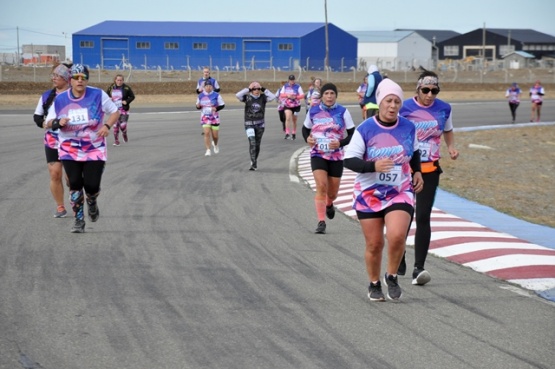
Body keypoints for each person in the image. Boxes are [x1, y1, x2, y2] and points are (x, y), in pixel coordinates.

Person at [344, 78, 424, 301]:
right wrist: (373, 166)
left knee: (397, 235)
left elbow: (415, 152)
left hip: (400, 190)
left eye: (397, 102)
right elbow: (349, 161)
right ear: (379, 102)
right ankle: (374, 283)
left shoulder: (408, 127)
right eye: (389, 101)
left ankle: (391, 276)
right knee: (375, 243)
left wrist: (417, 172)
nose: (392, 106)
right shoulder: (365, 129)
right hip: (369, 194)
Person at [397, 70, 459, 285]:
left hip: (430, 169)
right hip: (404, 171)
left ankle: (419, 268)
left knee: (423, 216)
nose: (430, 94)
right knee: (404, 215)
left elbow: (448, 130)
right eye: (426, 90)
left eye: (434, 90)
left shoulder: (444, 108)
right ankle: (400, 256)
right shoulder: (404, 108)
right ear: (418, 89)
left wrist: (451, 147)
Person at [45, 64, 120, 233]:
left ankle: (92, 200)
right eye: (76, 77)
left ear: (86, 80)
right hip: (69, 148)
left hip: (94, 147)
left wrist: (107, 125)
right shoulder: (61, 99)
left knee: (91, 186)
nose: (80, 81)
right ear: (70, 80)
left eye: (83, 78)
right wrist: (57, 122)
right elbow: (47, 122)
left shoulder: (97, 94)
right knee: (75, 184)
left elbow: (115, 112)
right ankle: (79, 220)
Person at [302, 83, 355, 234]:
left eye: (332, 93)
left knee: (332, 193)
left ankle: (330, 203)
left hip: (336, 156)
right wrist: (308, 139)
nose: (329, 96)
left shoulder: (343, 112)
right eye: (327, 94)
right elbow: (305, 129)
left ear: (336, 96)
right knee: (321, 186)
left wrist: (340, 143)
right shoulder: (313, 111)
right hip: (318, 153)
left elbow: (352, 134)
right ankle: (321, 222)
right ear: (322, 96)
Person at [33, 62, 72, 218]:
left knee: (71, 177)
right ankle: (60, 207)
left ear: (66, 79)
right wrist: (45, 124)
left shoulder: (74, 95)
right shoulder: (47, 96)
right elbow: (37, 116)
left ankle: (74, 193)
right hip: (52, 140)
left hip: (71, 139)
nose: (54, 78)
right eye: (53, 76)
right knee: (55, 174)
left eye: (57, 76)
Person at [236, 81, 276, 171]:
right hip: (249, 124)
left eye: (258, 89)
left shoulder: (263, 97)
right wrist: (248, 89)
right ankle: (253, 164)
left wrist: (264, 89)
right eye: (254, 89)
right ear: (251, 90)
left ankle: (254, 160)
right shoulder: (247, 97)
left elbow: (273, 97)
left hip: (260, 125)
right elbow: (238, 95)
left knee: (257, 144)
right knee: (252, 143)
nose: (256, 90)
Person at [196, 80, 225, 156]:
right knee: (206, 133)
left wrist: (216, 109)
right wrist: (198, 106)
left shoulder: (216, 95)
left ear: (212, 87)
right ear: (204, 87)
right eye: (207, 86)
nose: (208, 88)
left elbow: (222, 105)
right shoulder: (201, 95)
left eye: (210, 86)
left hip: (214, 117)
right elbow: (197, 106)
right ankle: (208, 150)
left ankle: (215, 144)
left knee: (215, 136)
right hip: (205, 117)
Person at [106, 74, 135, 145]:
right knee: (115, 126)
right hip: (114, 110)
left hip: (124, 110)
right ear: (115, 80)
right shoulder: (111, 87)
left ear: (123, 80)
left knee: (122, 126)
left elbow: (132, 96)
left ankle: (124, 133)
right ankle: (116, 141)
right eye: (118, 80)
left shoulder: (126, 88)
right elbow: (106, 95)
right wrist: (109, 98)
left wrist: (126, 101)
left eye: (121, 80)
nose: (119, 81)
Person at [278, 74, 304, 140]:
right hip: (288, 105)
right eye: (290, 80)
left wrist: (296, 97)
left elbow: (302, 95)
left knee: (294, 120)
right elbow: (281, 95)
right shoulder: (285, 86)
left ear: (294, 80)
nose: (292, 81)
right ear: (288, 80)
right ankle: (287, 133)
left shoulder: (298, 86)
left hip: (296, 105)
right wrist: (287, 95)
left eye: (293, 80)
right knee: (288, 118)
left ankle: (294, 133)